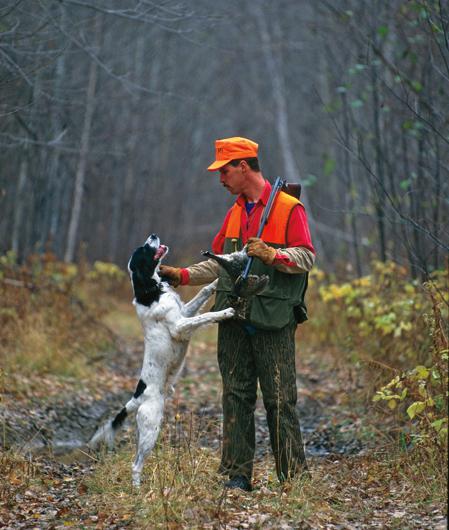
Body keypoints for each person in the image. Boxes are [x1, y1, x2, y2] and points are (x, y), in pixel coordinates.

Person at [160, 137, 315, 492]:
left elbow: (307, 258)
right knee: (235, 395)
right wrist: (181, 275)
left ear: (243, 166)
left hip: (273, 318)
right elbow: (219, 266)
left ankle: (293, 479)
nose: (220, 179)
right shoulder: (234, 213)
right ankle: (236, 476)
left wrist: (272, 255)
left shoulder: (289, 208)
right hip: (232, 316)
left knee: (279, 399)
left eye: (225, 170)